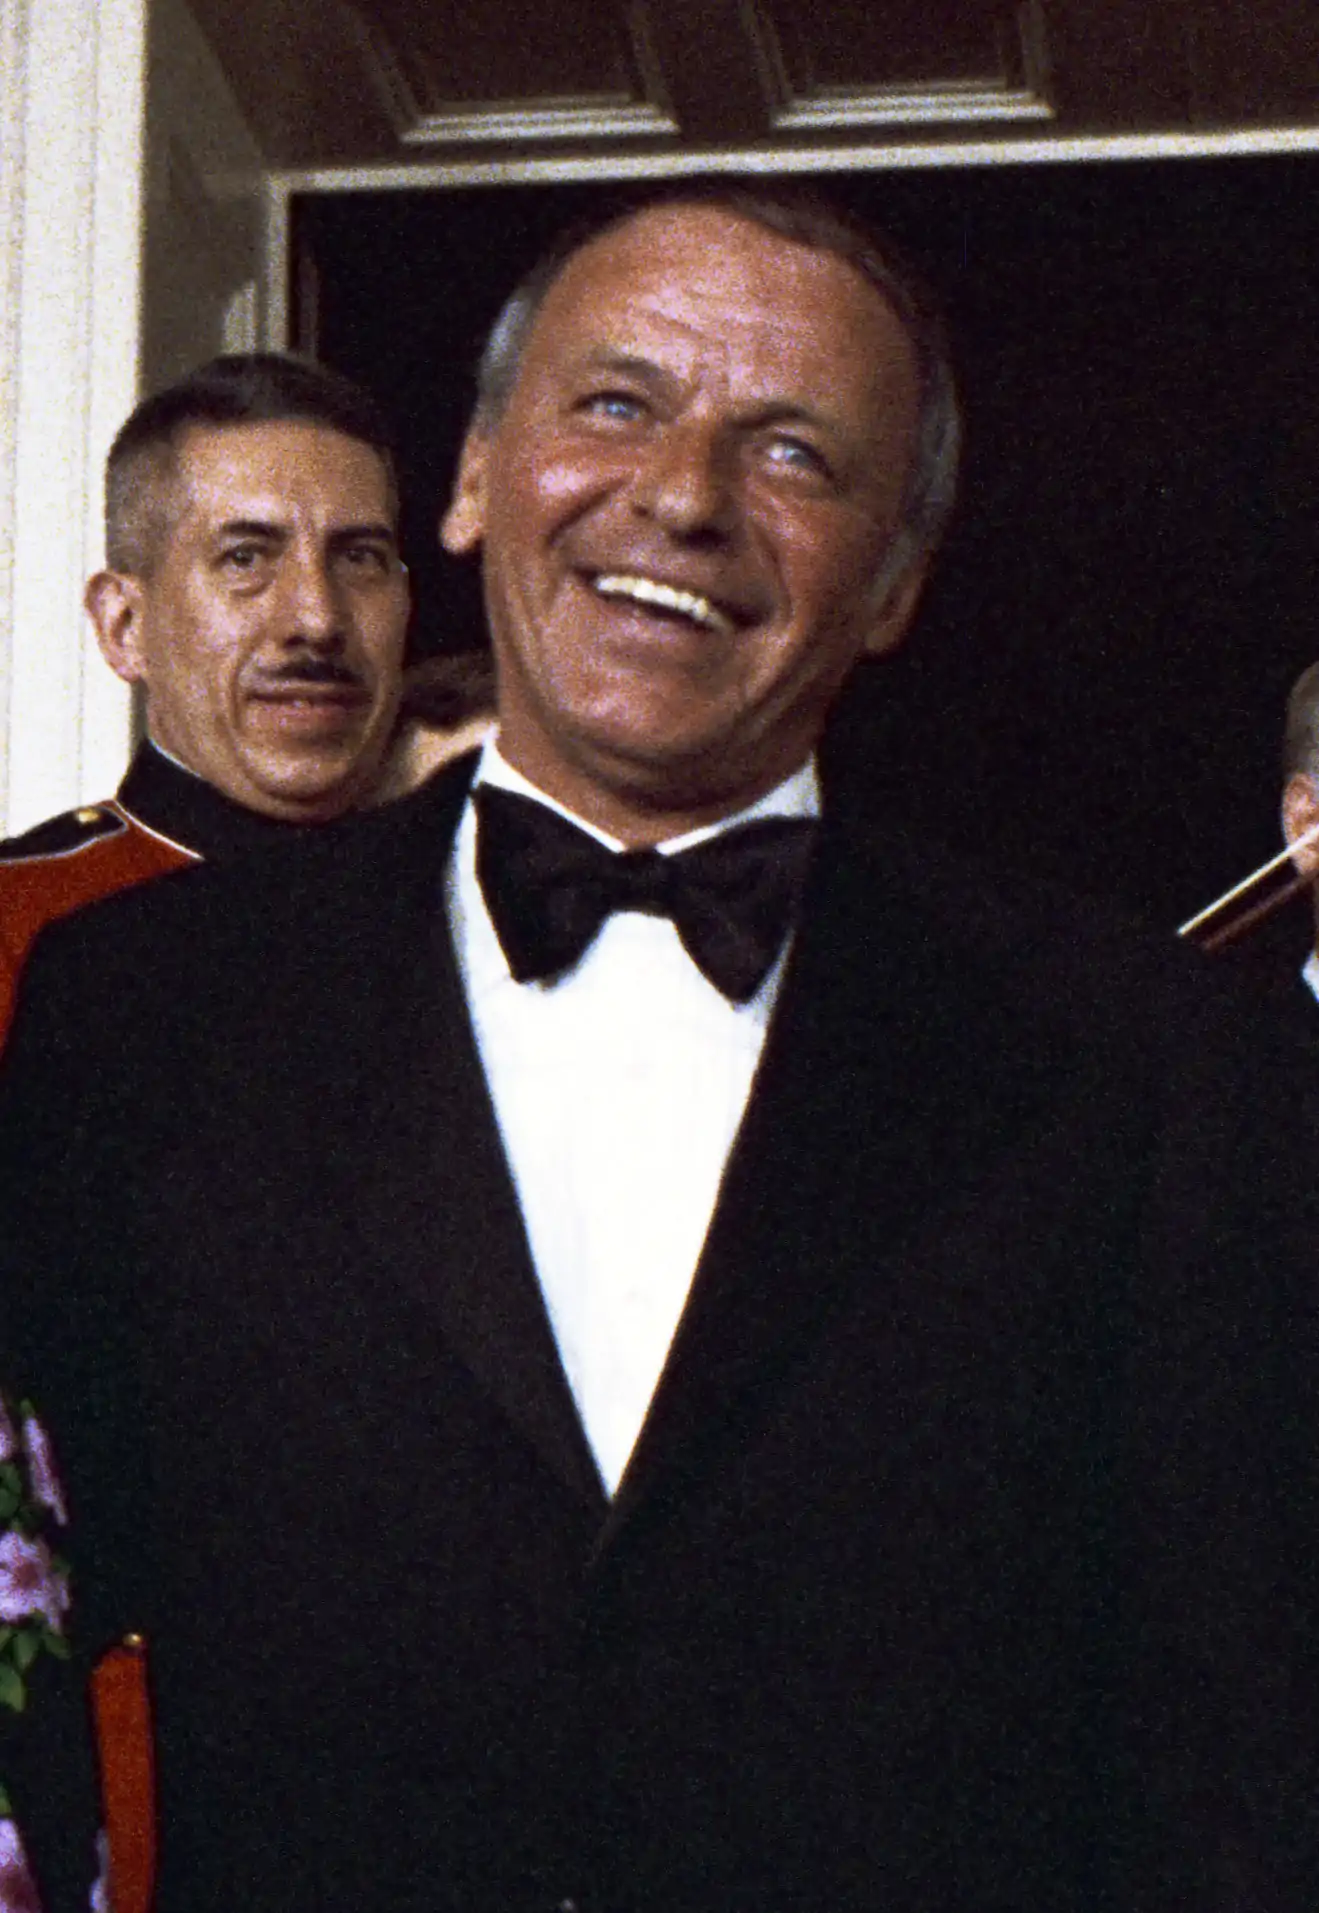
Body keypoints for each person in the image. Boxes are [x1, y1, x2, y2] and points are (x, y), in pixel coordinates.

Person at [0, 183, 1314, 1912]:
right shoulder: (137, 1010)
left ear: (895, 580)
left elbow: (1234, 1764)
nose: (684, 495)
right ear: (474, 477)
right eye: (615, 404)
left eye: (792, 453)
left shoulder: (1149, 1061)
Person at [0, 352, 411, 1042]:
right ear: (125, 626)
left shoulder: (483, 913)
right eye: (245, 558)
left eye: (358, 557)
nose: (318, 618)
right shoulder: (20, 927)